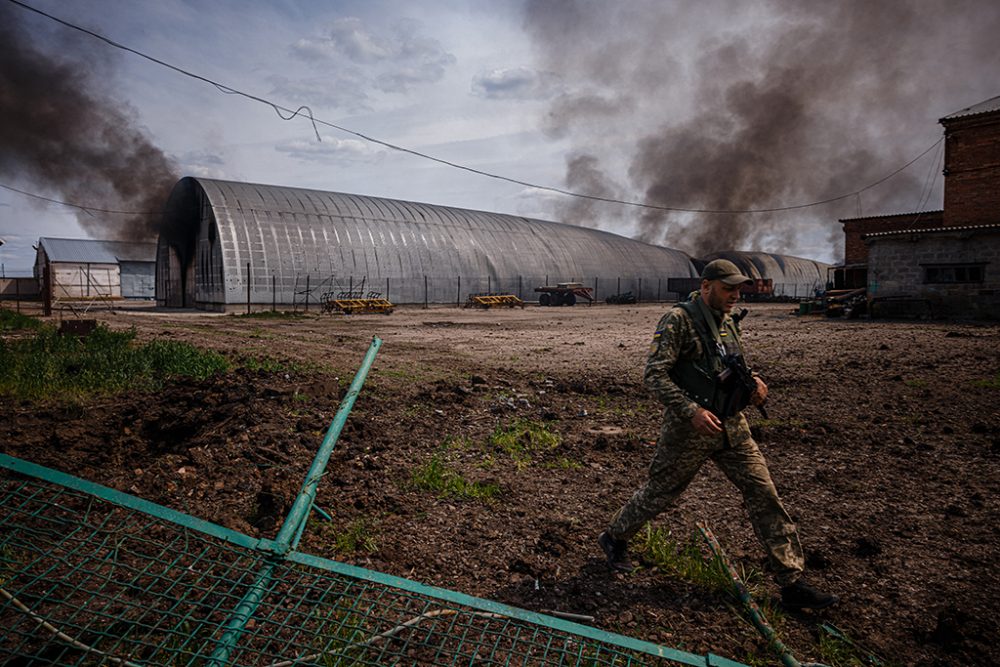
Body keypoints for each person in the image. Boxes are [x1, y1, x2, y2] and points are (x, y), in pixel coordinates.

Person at [598, 259, 837, 610]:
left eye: (738, 289)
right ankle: (615, 536)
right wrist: (690, 411)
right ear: (707, 286)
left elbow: (731, 364)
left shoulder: (728, 322)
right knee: (661, 491)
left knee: (763, 493)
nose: (735, 295)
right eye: (728, 288)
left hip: (732, 426)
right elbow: (654, 375)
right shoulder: (679, 320)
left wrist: (755, 384)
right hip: (689, 429)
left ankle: (791, 581)